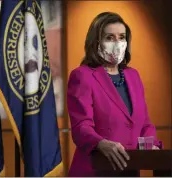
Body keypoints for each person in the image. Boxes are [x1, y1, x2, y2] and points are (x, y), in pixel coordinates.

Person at [67, 12, 162, 177]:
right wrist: (101, 143)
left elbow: (145, 124)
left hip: (129, 169)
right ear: (96, 42)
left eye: (122, 37)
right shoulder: (82, 75)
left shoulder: (133, 76)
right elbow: (81, 126)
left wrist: (150, 145)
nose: (117, 43)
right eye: (110, 38)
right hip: (95, 169)